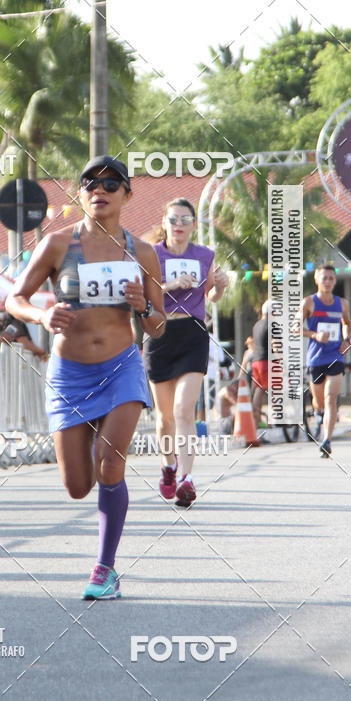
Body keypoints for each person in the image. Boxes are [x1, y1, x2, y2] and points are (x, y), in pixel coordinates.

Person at [5, 156, 165, 600]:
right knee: (77, 486)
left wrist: (143, 307)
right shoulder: (57, 244)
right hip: (70, 374)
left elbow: (158, 326)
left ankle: (104, 569)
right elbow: (15, 298)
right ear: (80, 194)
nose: (100, 190)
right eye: (90, 183)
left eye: (112, 184)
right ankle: (96, 458)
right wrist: (42, 314)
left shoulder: (143, 253)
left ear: (127, 194)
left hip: (120, 367)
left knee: (110, 463)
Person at [143, 198, 229, 506]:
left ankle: (187, 479)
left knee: (183, 411)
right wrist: (171, 284)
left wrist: (221, 286)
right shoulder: (151, 254)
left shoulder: (205, 255)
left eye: (185, 220)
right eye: (173, 219)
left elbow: (212, 296)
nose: (179, 225)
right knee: (165, 418)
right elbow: (142, 295)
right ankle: (169, 466)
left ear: (193, 225)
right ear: (164, 223)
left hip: (193, 334)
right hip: (159, 332)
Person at [302, 264, 351, 458]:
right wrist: (315, 335)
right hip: (315, 358)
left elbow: (347, 323)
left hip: (335, 356)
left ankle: (326, 441)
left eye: (331, 278)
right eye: (325, 278)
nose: (328, 282)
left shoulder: (342, 304)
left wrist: (347, 340)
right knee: (320, 401)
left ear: (335, 280)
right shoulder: (308, 303)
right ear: (317, 279)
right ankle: (317, 411)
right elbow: (296, 328)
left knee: (331, 398)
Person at [250, 302, 272, 430]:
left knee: (259, 390)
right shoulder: (272, 325)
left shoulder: (256, 325)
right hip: (267, 362)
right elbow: (276, 345)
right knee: (276, 390)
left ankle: (256, 418)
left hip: (256, 361)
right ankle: (274, 419)